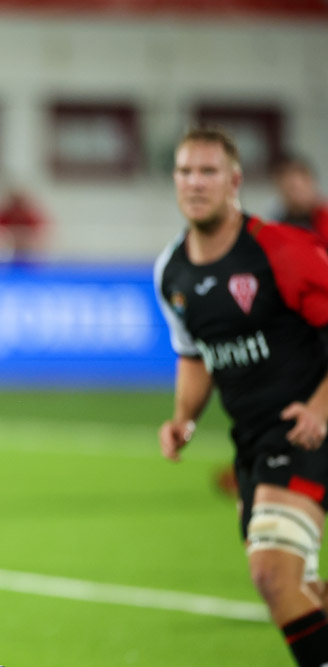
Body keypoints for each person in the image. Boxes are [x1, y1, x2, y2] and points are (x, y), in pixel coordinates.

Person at [155, 126, 328, 667]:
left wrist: (321, 406)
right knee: (301, 586)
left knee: (272, 574)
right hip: (251, 442)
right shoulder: (172, 270)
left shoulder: (284, 250)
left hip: (307, 429)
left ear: (235, 180)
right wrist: (184, 416)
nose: (195, 182)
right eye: (185, 171)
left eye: (208, 171)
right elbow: (195, 353)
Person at [274, 155, 328, 246]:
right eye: (286, 191)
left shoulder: (324, 214)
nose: (292, 196)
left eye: (294, 189)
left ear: (310, 183)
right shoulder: (280, 224)